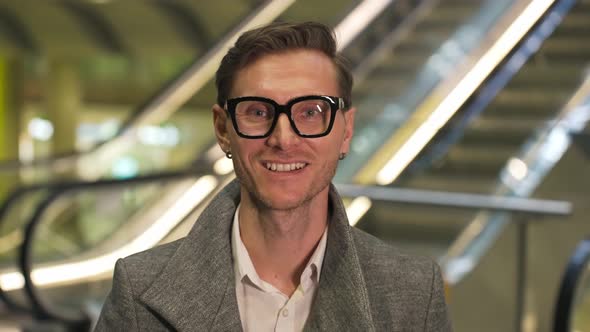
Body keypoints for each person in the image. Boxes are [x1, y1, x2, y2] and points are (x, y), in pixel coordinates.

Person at [95, 21, 451, 331]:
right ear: (223, 129)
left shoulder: (415, 293)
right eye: (258, 112)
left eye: (311, 112)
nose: (283, 138)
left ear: (345, 131)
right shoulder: (138, 289)